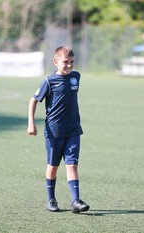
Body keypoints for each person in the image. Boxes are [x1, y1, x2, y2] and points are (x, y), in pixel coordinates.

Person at [27, 46, 90, 213]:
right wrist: (31, 123)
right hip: (54, 132)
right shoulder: (49, 81)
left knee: (72, 165)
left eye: (72, 62)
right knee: (53, 166)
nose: (69, 66)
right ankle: (51, 200)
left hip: (73, 131)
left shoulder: (76, 77)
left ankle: (76, 201)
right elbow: (33, 101)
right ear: (56, 62)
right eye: (65, 62)